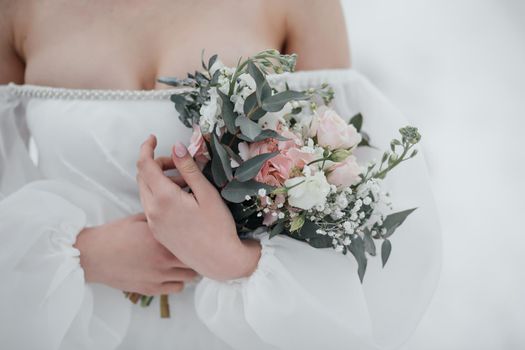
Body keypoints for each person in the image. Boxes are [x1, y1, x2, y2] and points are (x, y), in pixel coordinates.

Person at [0, 1, 441, 349]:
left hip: (248, 328)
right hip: (72, 320)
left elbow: (348, 193)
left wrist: (233, 260)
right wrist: (84, 253)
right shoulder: (18, 10)